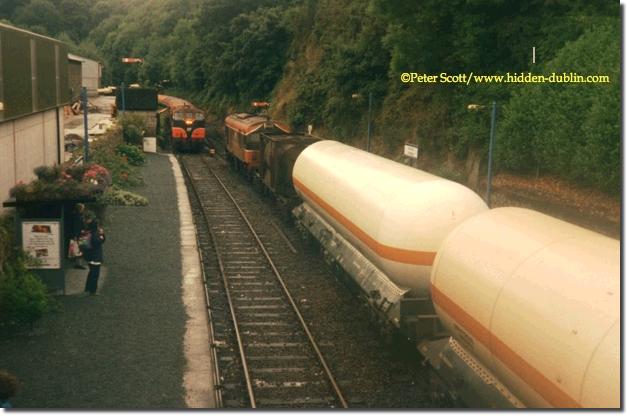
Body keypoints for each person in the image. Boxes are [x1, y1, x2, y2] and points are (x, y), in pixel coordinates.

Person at [82, 213, 106, 296]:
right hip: (95, 257)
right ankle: (93, 290)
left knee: (91, 273)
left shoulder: (89, 231)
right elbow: (97, 242)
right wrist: (101, 236)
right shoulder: (95, 233)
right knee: (95, 274)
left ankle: (88, 288)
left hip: (89, 256)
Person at [71, 203, 86, 269]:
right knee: (80, 249)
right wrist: (76, 235)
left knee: (78, 249)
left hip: (79, 234)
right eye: (83, 208)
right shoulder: (78, 217)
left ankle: (78, 263)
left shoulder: (77, 216)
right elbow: (76, 226)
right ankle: (79, 264)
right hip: (79, 235)